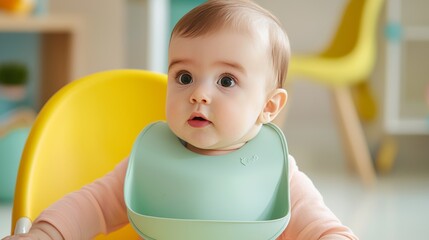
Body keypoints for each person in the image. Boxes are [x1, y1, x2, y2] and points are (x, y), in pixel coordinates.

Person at [3, 0, 358, 239]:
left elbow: (321, 226)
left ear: (269, 107)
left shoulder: (277, 171)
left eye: (226, 81)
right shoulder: (149, 160)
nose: (198, 94)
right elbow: (93, 204)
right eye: (184, 77)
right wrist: (47, 232)